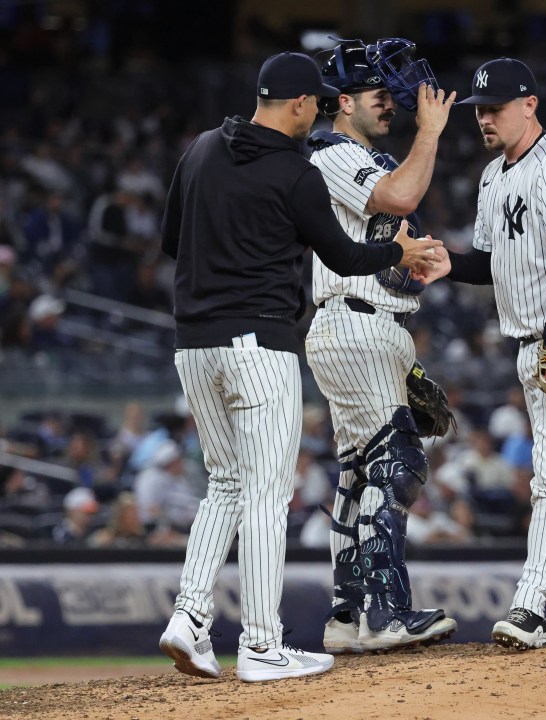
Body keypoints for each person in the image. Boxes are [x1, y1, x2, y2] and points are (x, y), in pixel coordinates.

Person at [157, 51, 441, 683]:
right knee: (265, 493)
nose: (318, 108)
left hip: (193, 344)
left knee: (225, 483)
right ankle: (261, 645)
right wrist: (396, 247)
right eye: (313, 100)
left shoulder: (201, 149)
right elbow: (342, 257)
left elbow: (172, 241)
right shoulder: (295, 170)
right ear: (295, 105)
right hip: (259, 344)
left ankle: (188, 617)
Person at [416, 57, 546, 649]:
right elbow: (489, 260)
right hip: (542, 337)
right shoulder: (493, 176)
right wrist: (448, 266)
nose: (484, 118)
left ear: (529, 104)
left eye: (495, 108)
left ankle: (533, 604)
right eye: (479, 110)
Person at [303, 37, 458, 654]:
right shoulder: (334, 152)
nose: (391, 104)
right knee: (398, 463)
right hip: (355, 323)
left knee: (357, 473)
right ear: (343, 103)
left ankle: (345, 617)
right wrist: (433, 132)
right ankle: (387, 614)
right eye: (377, 96)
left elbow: (392, 238)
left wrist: (421, 262)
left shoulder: (355, 158)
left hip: (365, 322)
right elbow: (401, 197)